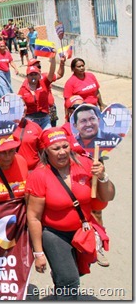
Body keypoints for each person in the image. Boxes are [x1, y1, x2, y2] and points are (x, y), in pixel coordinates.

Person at [26, 127, 115, 299]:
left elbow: (108, 196)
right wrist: (38, 253)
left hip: (82, 232)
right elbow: (34, 217)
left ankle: (60, 283)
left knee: (75, 273)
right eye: (56, 148)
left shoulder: (86, 164)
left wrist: (103, 176)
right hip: (54, 234)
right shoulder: (39, 175)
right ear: (46, 151)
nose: (62, 152)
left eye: (65, 146)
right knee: (69, 280)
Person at [18, 54, 57, 130]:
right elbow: (18, 104)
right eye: (31, 75)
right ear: (27, 77)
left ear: (39, 76)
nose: (33, 77)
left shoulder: (44, 83)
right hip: (30, 120)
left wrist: (53, 59)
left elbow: (52, 73)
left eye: (35, 74)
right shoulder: (23, 89)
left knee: (48, 137)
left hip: (45, 119)